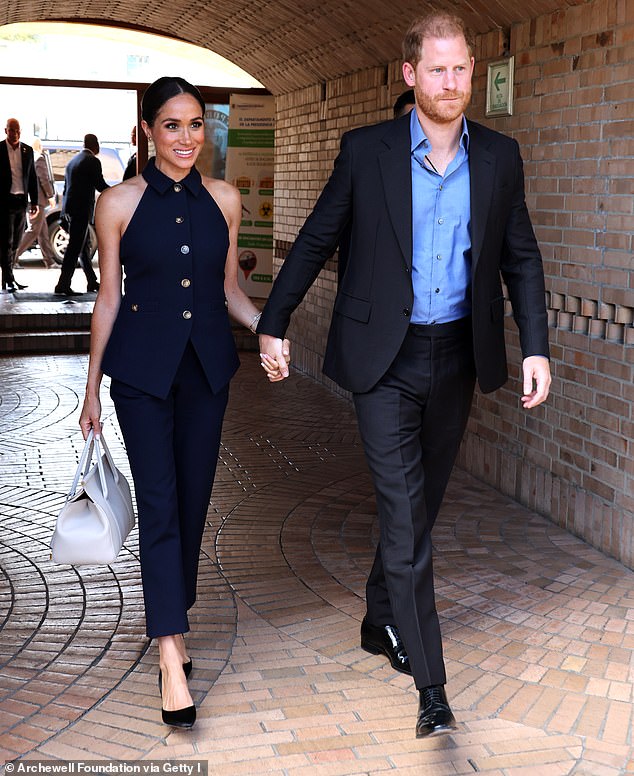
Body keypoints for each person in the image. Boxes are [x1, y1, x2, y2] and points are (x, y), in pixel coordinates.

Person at [257, 11, 551, 738]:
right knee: (406, 517)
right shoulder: (368, 152)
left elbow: (522, 256)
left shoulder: (501, 157)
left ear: (472, 73)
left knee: (420, 508)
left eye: (462, 69)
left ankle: (377, 615)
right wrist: (273, 319)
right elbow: (320, 237)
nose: (451, 83)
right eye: (437, 69)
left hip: (457, 356)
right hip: (382, 360)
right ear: (410, 75)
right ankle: (432, 687)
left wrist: (536, 345)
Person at [79, 76, 271, 729]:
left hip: (206, 374)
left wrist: (263, 331)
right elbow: (108, 299)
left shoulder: (225, 198)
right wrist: (90, 390)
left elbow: (229, 292)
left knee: (191, 506)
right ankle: (169, 655)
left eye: (195, 125)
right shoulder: (117, 202)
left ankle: (172, 619)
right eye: (172, 125)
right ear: (147, 132)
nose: (186, 138)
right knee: (160, 505)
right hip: (140, 377)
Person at [55, 133, 108, 296]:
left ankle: (91, 281)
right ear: (95, 144)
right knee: (74, 248)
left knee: (83, 248)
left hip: (70, 210)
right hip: (81, 211)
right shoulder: (92, 161)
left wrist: (63, 214)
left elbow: (66, 189)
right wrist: (118, 192)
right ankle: (62, 284)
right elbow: (100, 185)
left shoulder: (72, 161)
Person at [0, 118, 38, 291]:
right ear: (5, 130)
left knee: (16, 242)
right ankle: (8, 279)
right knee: (5, 242)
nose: (14, 133)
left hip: (21, 201)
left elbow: (31, 177)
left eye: (17, 130)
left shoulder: (27, 150)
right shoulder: (0, 149)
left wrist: (34, 201)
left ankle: (8, 276)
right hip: (5, 201)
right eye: (11, 130)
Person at [16, 138, 57, 268]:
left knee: (42, 232)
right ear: (39, 146)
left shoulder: (28, 158)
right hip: (38, 201)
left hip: (32, 200)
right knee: (33, 231)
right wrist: (50, 196)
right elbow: (43, 179)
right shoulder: (38, 159)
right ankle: (12, 258)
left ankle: (49, 261)